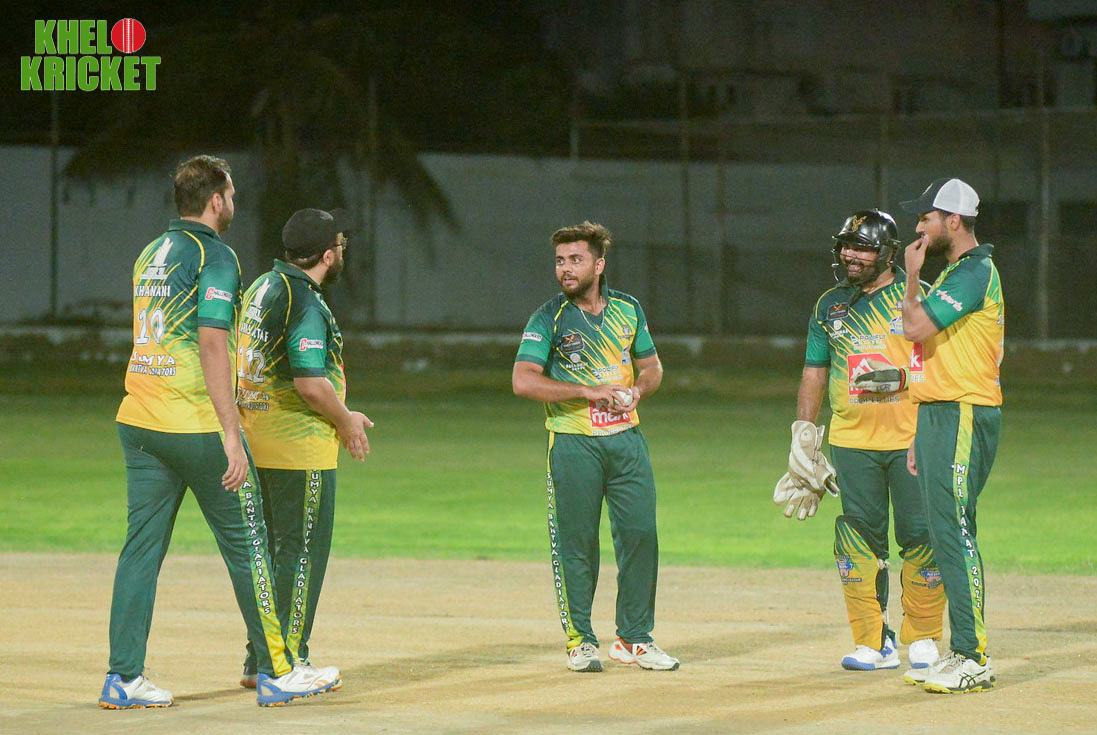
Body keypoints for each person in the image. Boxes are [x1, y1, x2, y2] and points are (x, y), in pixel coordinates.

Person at [102, 155, 340, 709]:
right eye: (231, 195)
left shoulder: (150, 253)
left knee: (140, 552)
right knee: (250, 547)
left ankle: (123, 677)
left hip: (139, 419)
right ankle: (277, 671)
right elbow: (212, 343)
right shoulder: (215, 255)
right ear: (216, 200)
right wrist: (231, 433)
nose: (234, 203)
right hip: (193, 424)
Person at [780, 209, 946, 674]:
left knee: (921, 535)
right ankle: (874, 641)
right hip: (852, 442)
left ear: (888, 254)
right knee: (858, 541)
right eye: (846, 246)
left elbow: (940, 364)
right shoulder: (828, 305)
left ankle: (924, 636)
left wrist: (921, 404)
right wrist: (804, 434)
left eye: (863, 248)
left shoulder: (917, 296)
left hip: (912, 439)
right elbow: (815, 370)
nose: (851, 255)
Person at [512, 221, 678, 673]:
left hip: (627, 442)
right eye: (559, 261)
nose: (565, 269)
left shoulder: (628, 309)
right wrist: (587, 392)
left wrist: (638, 390)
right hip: (573, 443)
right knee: (578, 545)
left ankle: (634, 639)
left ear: (599, 265)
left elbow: (652, 368)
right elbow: (523, 381)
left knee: (641, 537)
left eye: (575, 259)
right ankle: (581, 641)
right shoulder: (548, 318)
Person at [235, 208, 372, 688]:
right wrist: (346, 420)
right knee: (300, 556)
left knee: (273, 556)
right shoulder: (305, 301)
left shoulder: (263, 286)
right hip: (297, 448)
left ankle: (260, 659)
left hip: (255, 441)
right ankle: (287, 661)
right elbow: (311, 383)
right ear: (328, 255)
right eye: (340, 246)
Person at [898, 178, 1004, 694]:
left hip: (963, 412)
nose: (919, 227)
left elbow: (915, 328)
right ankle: (963, 650)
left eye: (927, 218)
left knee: (954, 531)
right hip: (941, 414)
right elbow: (924, 344)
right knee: (946, 532)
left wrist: (911, 276)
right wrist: (920, 427)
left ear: (953, 221)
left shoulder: (974, 271)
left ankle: (972, 655)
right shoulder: (956, 273)